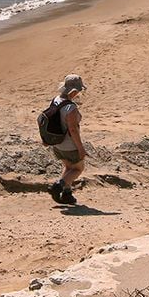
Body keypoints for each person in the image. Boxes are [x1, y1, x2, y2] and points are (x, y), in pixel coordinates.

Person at [47, 74, 87, 206]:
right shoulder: (71, 108)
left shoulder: (56, 100)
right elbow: (73, 130)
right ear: (74, 91)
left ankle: (67, 194)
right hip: (70, 145)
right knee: (77, 169)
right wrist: (80, 148)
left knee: (68, 167)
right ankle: (58, 186)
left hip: (57, 143)